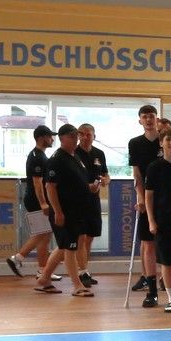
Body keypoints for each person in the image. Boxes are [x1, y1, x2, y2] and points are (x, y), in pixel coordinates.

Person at [35, 124, 95, 297]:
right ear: (61, 138)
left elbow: (75, 182)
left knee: (63, 246)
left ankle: (44, 278)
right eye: (72, 136)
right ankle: (77, 285)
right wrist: (58, 212)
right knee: (70, 248)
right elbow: (50, 187)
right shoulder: (57, 160)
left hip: (77, 210)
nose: (76, 139)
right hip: (65, 212)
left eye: (76, 136)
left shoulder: (74, 157)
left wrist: (88, 187)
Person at [143, 127, 171, 311]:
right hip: (162, 219)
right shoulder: (154, 167)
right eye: (168, 139)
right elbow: (149, 196)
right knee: (167, 261)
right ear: (161, 143)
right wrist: (151, 220)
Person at [7, 125, 56, 280]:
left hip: (38, 200)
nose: (52, 139)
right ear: (41, 138)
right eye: (49, 136)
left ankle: (42, 270)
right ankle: (17, 258)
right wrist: (43, 203)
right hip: (36, 201)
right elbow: (37, 182)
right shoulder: (37, 157)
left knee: (45, 235)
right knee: (42, 233)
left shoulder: (41, 155)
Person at [128, 104, 163, 305]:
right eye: (145, 117)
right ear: (140, 120)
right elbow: (137, 175)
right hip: (146, 198)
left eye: (151, 116)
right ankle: (151, 289)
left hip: (165, 199)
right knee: (148, 243)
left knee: (165, 244)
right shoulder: (135, 143)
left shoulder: (165, 140)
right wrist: (141, 199)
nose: (148, 120)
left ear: (156, 119)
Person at [74, 123, 109, 288]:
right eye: (82, 134)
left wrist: (106, 180)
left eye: (88, 134)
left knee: (90, 236)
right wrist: (85, 186)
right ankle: (82, 271)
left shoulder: (99, 154)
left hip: (94, 200)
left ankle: (85, 270)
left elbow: (105, 174)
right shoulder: (73, 153)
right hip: (78, 200)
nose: (85, 137)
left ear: (94, 136)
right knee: (80, 237)